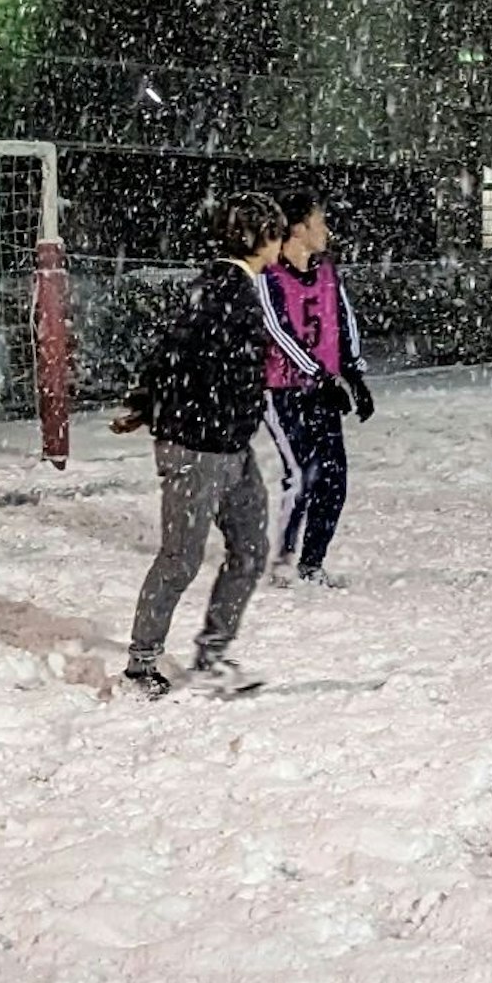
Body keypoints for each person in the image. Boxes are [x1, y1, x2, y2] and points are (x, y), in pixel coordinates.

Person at [114, 193, 296, 696]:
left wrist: (146, 399)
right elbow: (183, 355)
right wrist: (158, 405)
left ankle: (213, 654)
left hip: (227, 445)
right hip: (198, 446)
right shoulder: (224, 291)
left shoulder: (228, 287)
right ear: (263, 238)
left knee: (250, 548)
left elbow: (171, 350)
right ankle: (140, 667)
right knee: (182, 558)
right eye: (277, 234)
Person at [261, 190, 376, 589]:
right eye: (319, 221)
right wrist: (319, 374)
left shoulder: (327, 271)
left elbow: (343, 320)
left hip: (320, 391)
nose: (326, 229)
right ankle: (284, 560)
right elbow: (279, 332)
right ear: (298, 228)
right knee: (302, 474)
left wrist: (354, 375)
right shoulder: (270, 276)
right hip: (282, 391)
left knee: (335, 477)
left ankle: (313, 561)